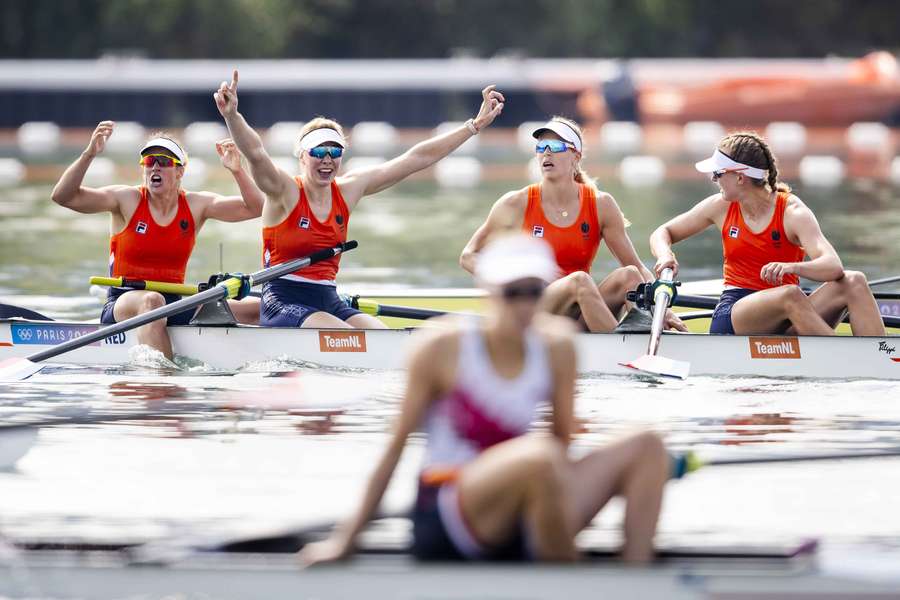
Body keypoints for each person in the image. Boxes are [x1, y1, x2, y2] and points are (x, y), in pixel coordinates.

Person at [300, 235, 668, 565]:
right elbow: (394, 450)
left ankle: (634, 580)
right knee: (539, 459)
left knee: (647, 446)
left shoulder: (558, 348)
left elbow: (562, 450)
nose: (525, 306)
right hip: (450, 510)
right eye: (513, 293)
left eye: (534, 292)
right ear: (488, 291)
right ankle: (565, 577)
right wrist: (346, 540)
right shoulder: (441, 347)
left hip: (529, 495)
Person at [213, 70, 505, 329]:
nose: (327, 160)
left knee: (380, 334)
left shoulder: (350, 189)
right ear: (302, 156)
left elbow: (416, 158)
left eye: (335, 152)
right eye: (318, 152)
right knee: (342, 334)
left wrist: (474, 126)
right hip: (282, 300)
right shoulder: (284, 191)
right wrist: (232, 116)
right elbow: (256, 153)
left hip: (328, 297)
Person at [50, 121, 266, 359]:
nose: (155, 168)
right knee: (153, 301)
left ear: (180, 171)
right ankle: (163, 381)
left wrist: (237, 170)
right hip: (124, 300)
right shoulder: (127, 199)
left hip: (174, 301)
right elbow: (63, 196)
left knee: (258, 308)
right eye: (149, 162)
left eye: (163, 163)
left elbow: (255, 208)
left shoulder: (195, 205)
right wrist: (89, 154)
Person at [460, 116, 684, 333]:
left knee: (630, 275)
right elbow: (469, 255)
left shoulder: (601, 204)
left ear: (576, 156)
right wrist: (510, 284)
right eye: (541, 147)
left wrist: (662, 307)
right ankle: (619, 351)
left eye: (555, 146)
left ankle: (634, 337)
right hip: (538, 307)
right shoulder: (516, 202)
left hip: (579, 307)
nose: (546, 152)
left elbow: (636, 265)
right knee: (580, 281)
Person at [650, 131, 885, 336]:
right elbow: (663, 232)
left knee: (854, 281)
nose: (714, 180)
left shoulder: (793, 212)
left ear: (740, 177)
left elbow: (833, 267)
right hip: (736, 311)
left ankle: (884, 359)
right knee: (790, 295)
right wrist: (664, 255)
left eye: (718, 174)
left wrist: (792, 268)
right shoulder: (720, 206)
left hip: (791, 311)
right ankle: (848, 360)